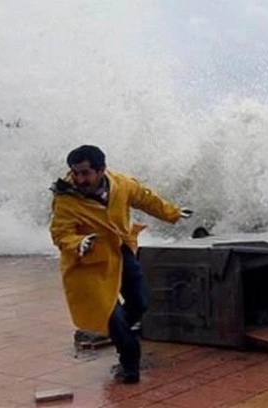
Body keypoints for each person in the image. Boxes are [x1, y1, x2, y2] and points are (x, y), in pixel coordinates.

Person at [49, 145, 192, 384]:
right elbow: (60, 233)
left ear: (101, 170)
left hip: (120, 250)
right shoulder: (65, 199)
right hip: (88, 263)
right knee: (112, 316)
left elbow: (146, 199)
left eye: (85, 173)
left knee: (140, 301)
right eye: (75, 173)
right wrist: (78, 242)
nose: (79, 179)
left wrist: (173, 213)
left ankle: (117, 333)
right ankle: (129, 362)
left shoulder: (121, 184)